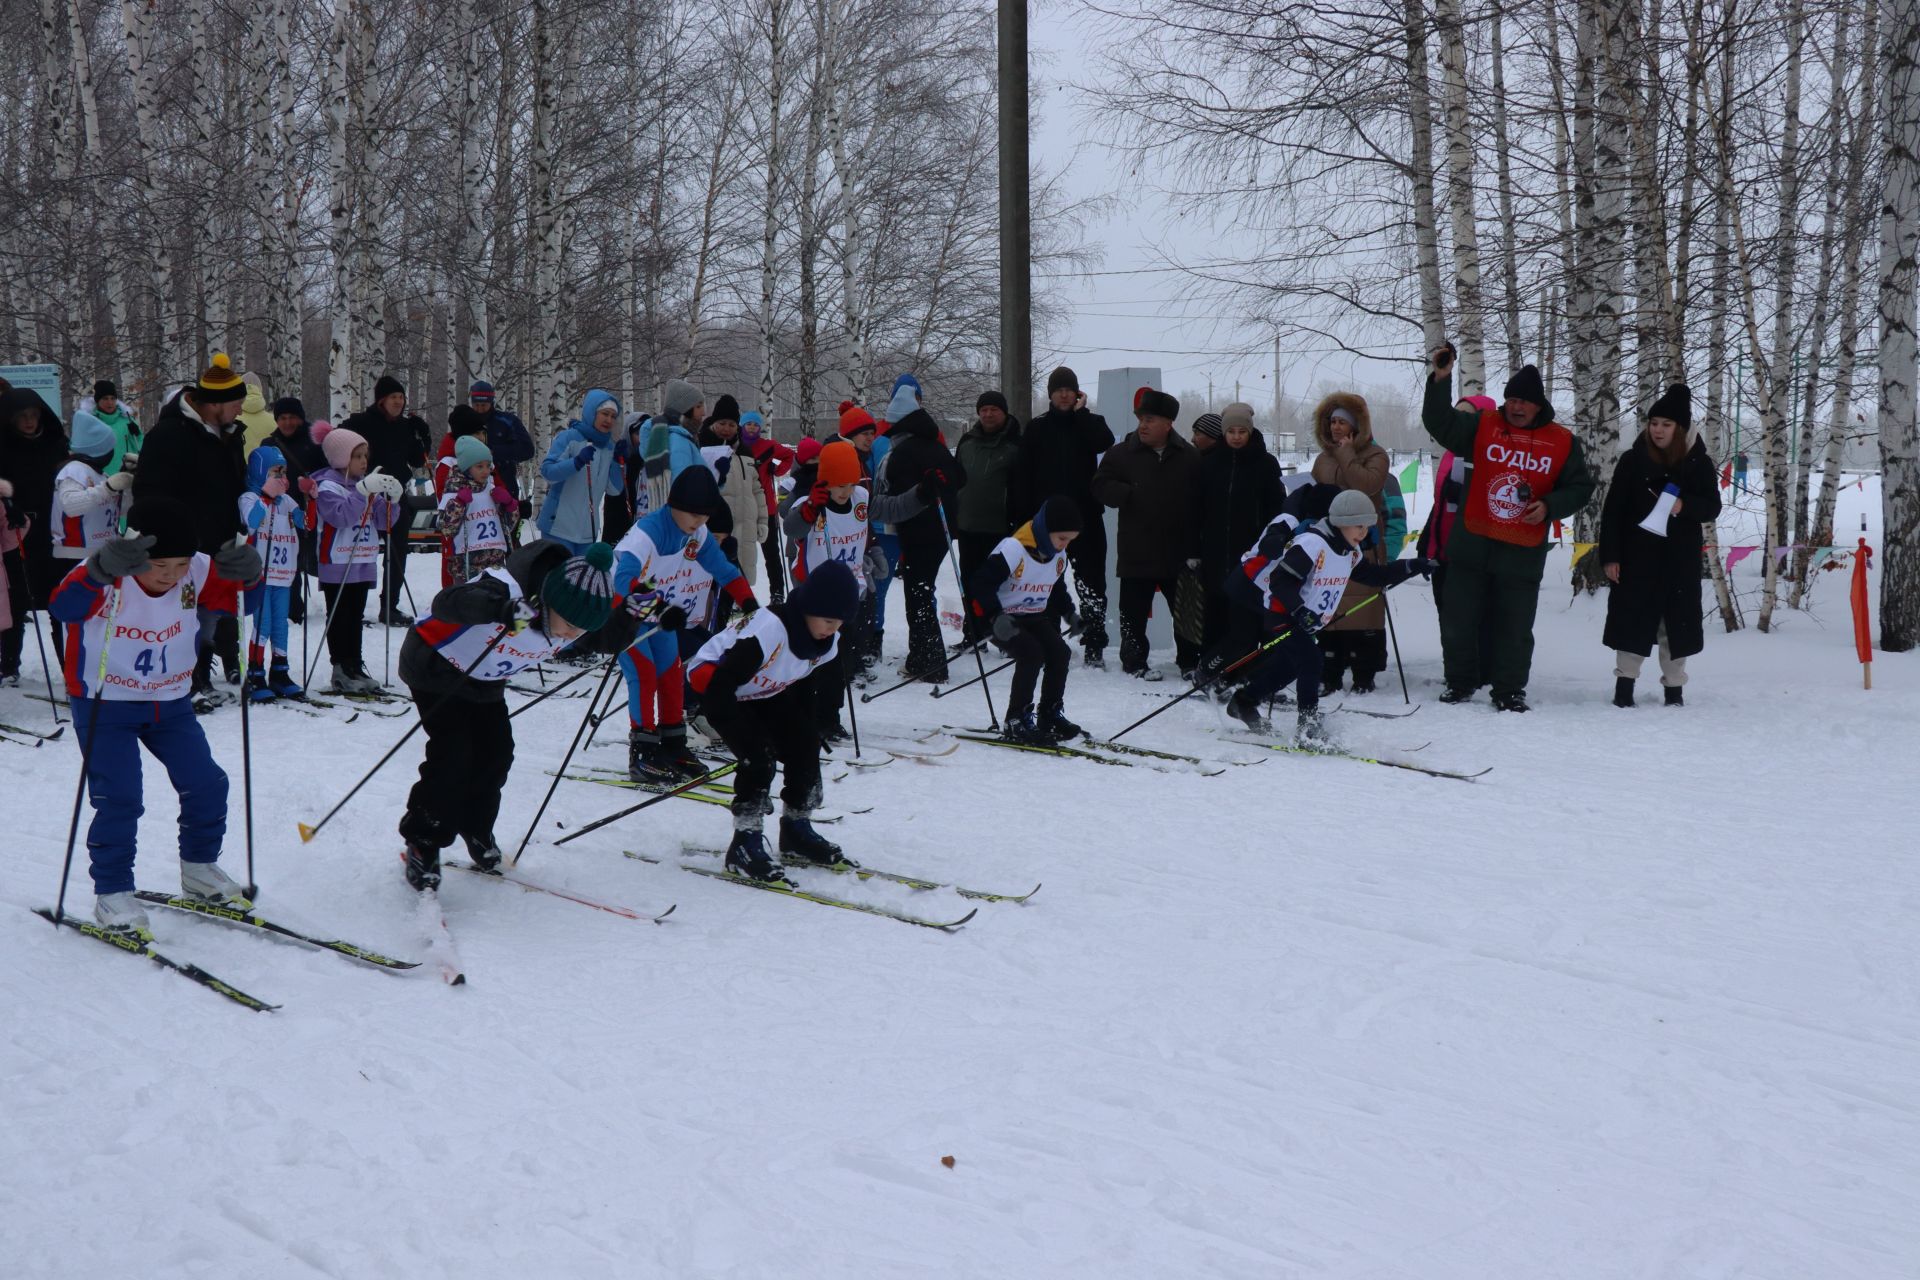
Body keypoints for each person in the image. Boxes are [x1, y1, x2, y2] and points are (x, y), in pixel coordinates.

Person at [47, 496, 265, 935]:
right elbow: (63, 607)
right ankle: (112, 893)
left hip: (170, 701)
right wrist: (96, 574)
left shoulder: (197, 570)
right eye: (160, 566)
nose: (170, 576)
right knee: (120, 797)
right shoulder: (107, 569)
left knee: (207, 782)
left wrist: (252, 573)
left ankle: (200, 868)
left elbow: (241, 600)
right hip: (104, 702)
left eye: (179, 565)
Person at [398, 540, 661, 889]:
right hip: (436, 665)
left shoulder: (570, 618)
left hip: (484, 678)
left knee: (496, 753)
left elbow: (604, 639)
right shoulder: (508, 588)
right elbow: (446, 603)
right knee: (454, 753)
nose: (570, 635)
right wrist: (501, 609)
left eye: (579, 629)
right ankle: (424, 840)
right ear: (548, 601)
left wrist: (631, 612)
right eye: (568, 624)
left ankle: (475, 827)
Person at [1422, 343, 1597, 711]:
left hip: (1521, 550)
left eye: (1524, 401)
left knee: (1514, 629)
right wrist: (1440, 380)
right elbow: (1441, 424)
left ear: (1539, 405)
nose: (1516, 407)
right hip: (1472, 542)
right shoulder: (1483, 426)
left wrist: (1550, 506)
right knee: (1458, 621)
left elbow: (1581, 488)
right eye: (1512, 399)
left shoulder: (1562, 441)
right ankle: (1460, 682)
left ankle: (1508, 690)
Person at [686, 559, 861, 883]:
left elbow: (804, 683)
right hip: (717, 682)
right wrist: (748, 746)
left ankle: (796, 830)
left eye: (838, 623)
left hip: (760, 688)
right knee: (760, 758)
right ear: (808, 607)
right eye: (826, 620)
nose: (831, 629)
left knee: (805, 743)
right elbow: (720, 687)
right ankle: (744, 843)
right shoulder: (769, 631)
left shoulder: (826, 642)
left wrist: (804, 740)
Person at [1223, 489, 1432, 742]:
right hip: (1283, 615)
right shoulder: (1312, 544)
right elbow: (1280, 581)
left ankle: (1244, 702)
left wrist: (1412, 566)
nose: (1364, 533)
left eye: (1366, 526)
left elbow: (1374, 576)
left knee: (1290, 668)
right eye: (1358, 526)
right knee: (1311, 661)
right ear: (1342, 522)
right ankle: (1308, 726)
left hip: (1306, 620)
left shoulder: (1349, 551)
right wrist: (1300, 610)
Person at [611, 466, 757, 781]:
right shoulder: (648, 532)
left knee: (671, 672)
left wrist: (749, 604)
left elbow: (724, 569)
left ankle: (673, 744)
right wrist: (660, 607)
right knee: (645, 673)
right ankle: (643, 751)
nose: (700, 524)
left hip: (659, 610)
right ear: (675, 505)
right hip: (626, 608)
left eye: (705, 518)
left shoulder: (697, 532)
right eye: (695, 516)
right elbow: (623, 581)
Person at [782, 439, 930, 737]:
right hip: (814, 596)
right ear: (825, 480)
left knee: (841, 663)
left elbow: (893, 508)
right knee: (813, 661)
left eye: (850, 484)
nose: (845, 492)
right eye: (839, 486)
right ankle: (802, 716)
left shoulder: (861, 498)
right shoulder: (810, 503)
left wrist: (923, 494)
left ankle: (830, 718)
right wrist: (812, 508)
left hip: (850, 592)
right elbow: (792, 527)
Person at [129, 353, 251, 700]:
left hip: (219, 542)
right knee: (181, 615)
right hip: (180, 547)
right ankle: (182, 681)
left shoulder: (228, 434)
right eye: (238, 403)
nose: (241, 410)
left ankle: (200, 675)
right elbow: (149, 493)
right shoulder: (170, 434)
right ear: (215, 403)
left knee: (209, 615)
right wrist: (169, 538)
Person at [1600, 383, 1722, 708]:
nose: (1657, 430)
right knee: (1632, 621)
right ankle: (1623, 688)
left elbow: (1712, 507)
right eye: (1654, 423)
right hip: (1635, 557)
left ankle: (1674, 691)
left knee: (1675, 627)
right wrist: (1611, 556)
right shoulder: (1632, 460)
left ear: (1680, 428)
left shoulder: (1699, 464)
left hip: (1679, 561)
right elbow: (1613, 512)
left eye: (1666, 425)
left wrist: (1685, 506)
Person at [1091, 387, 1202, 679]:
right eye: (1141, 418)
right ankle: (1134, 661)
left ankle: (1190, 663)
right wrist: (1128, 494)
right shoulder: (1121, 454)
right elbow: (1099, 486)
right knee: (1133, 613)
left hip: (1179, 552)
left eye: (1150, 419)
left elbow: (1203, 500)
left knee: (1187, 614)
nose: (1143, 425)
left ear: (1168, 424)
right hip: (1136, 549)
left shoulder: (1189, 457)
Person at [1010, 367, 1115, 667]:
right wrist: (1023, 518)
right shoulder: (1037, 427)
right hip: (1045, 522)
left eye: (1070, 389)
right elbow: (1023, 475)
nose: (1065, 394)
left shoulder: (1091, 422)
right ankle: (1049, 637)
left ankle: (1094, 642)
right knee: (1044, 581)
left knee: (1092, 582)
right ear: (1051, 394)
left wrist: (1081, 415)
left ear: (1078, 393)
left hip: (1086, 518)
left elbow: (1102, 442)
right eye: (1059, 390)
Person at [966, 495, 1086, 743]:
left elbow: (1056, 589)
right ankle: (1016, 719)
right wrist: (994, 616)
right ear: (1045, 530)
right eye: (1062, 538)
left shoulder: (1057, 556)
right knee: (1031, 653)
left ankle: (1049, 714)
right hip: (998, 620)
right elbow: (979, 585)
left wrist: (1070, 614)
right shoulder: (1013, 549)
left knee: (1059, 653)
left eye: (1070, 540)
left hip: (1031, 616)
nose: (1064, 545)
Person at [878, 379, 965, 683]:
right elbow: (960, 477)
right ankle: (923, 657)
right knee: (922, 590)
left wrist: (925, 491)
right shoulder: (938, 446)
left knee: (917, 593)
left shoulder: (903, 453)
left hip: (919, 531)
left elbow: (894, 502)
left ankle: (929, 662)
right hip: (942, 530)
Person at [1307, 394, 1392, 694]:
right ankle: (1329, 671)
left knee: (1363, 610)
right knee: (1330, 607)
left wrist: (1346, 455)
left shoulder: (1376, 455)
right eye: (1332, 422)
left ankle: (1364, 674)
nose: (1336, 428)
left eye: (1342, 421)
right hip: (1330, 543)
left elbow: (1366, 486)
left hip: (1362, 540)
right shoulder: (1323, 458)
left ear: (1356, 426)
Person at [311, 426, 405, 694]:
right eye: (357, 456)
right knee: (340, 616)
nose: (364, 461)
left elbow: (382, 522)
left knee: (355, 616)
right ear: (341, 458)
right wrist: (362, 492)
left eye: (366, 455)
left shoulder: (365, 486)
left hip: (362, 559)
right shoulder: (327, 486)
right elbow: (341, 517)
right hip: (338, 562)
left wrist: (393, 501)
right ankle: (340, 666)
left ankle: (354, 664)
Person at [339, 375, 432, 626]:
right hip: (366, 493)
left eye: (401, 397)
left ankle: (389, 606)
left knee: (398, 551)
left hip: (395, 496)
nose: (398, 402)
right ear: (382, 400)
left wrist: (424, 435)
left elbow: (417, 460)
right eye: (394, 397)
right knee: (361, 550)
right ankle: (352, 607)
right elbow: (338, 443)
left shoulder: (405, 426)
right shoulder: (362, 422)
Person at [1193, 403, 1284, 654]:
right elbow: (1197, 508)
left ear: (1249, 432)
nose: (1235, 436)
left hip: (1252, 551)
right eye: (1231, 431)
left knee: (1247, 611)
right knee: (1215, 608)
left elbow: (1276, 507)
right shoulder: (1209, 463)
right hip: (1214, 549)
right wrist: (1195, 547)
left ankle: (1249, 666)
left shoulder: (1265, 464)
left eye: (1241, 431)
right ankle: (1212, 665)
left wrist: (1272, 540)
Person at [0, 389, 69, 683]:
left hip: (53, 531)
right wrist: (8, 504)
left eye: (33, 415)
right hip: (16, 531)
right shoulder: (3, 445)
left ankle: (69, 665)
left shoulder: (54, 443)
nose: (28, 422)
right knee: (16, 595)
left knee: (58, 597)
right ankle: (9, 664)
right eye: (22, 417)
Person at [953, 390, 1023, 642]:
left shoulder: (1016, 445)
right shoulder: (967, 442)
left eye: (994, 409)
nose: (988, 414)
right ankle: (973, 632)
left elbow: (1023, 487)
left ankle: (1006, 636)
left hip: (1002, 530)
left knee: (1003, 585)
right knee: (970, 582)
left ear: (1004, 412)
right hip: (969, 527)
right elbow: (955, 481)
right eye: (984, 410)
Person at [238, 445, 306, 701]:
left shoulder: (286, 501)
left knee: (280, 624)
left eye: (283, 471)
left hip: (284, 573)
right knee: (263, 624)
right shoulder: (249, 498)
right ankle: (255, 673)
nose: (280, 477)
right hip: (262, 574)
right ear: (259, 472)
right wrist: (265, 496)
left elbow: (304, 522)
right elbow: (252, 523)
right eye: (274, 471)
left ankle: (280, 672)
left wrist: (311, 497)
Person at [536, 388, 625, 554]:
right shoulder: (570, 437)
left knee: (583, 580)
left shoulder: (609, 447)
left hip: (587, 533)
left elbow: (614, 490)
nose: (609, 420)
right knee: (560, 579)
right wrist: (576, 462)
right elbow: (548, 472)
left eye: (613, 416)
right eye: (605, 413)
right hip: (558, 528)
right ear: (592, 412)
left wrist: (617, 462)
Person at [834, 400, 886, 666]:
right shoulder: (838, 459)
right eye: (865, 433)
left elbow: (865, 511)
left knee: (867, 603)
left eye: (872, 433)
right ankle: (844, 661)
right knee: (848, 606)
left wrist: (873, 544)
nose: (870, 438)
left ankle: (857, 656)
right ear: (850, 435)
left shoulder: (864, 463)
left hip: (861, 546)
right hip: (838, 548)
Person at [701, 395, 769, 583]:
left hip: (745, 531)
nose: (726, 429)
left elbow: (757, 490)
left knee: (741, 583)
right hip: (716, 532)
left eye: (731, 425)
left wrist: (763, 521)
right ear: (714, 422)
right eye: (722, 423)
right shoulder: (702, 447)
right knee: (711, 583)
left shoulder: (744, 452)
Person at [52, 410, 132, 570]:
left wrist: (128, 484)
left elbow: (122, 510)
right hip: (76, 555)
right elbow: (70, 505)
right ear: (99, 449)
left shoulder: (100, 474)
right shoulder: (74, 470)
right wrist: (108, 488)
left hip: (104, 552)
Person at [268, 397, 325, 623]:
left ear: (301, 418)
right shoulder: (270, 443)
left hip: (310, 509)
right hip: (281, 513)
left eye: (292, 417)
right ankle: (293, 608)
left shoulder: (314, 442)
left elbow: (326, 473)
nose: (288, 422)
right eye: (282, 418)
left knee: (309, 558)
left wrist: (312, 485)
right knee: (289, 561)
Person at [436, 434, 518, 586]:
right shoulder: (453, 492)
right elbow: (445, 528)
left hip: (495, 564)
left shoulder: (492, 490)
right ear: (467, 468)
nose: (485, 471)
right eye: (479, 466)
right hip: (466, 566)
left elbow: (508, 525)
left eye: (488, 465)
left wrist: (509, 505)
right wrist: (459, 503)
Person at [740, 411, 794, 601]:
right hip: (742, 508)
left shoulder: (768, 446)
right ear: (742, 425)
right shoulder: (735, 446)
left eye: (756, 424)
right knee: (740, 555)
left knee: (771, 553)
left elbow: (789, 456)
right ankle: (740, 595)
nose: (752, 427)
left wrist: (776, 469)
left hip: (766, 508)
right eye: (749, 424)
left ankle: (777, 592)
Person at [466, 381, 536, 516]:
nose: (479, 409)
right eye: (476, 405)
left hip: (505, 487)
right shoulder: (464, 423)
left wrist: (495, 451)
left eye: (484, 405)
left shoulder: (507, 421)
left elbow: (527, 450)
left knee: (507, 534)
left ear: (491, 403)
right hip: (473, 490)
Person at [642, 379, 706, 514]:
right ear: (685, 409)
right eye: (699, 406)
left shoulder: (672, 438)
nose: (704, 412)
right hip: (685, 519)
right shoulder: (678, 441)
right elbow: (683, 488)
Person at [90, 380, 141, 477]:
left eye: (113, 398)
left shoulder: (127, 421)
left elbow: (139, 447)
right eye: (105, 398)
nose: (110, 402)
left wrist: (138, 435)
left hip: (126, 476)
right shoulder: (90, 422)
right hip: (100, 478)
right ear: (98, 400)